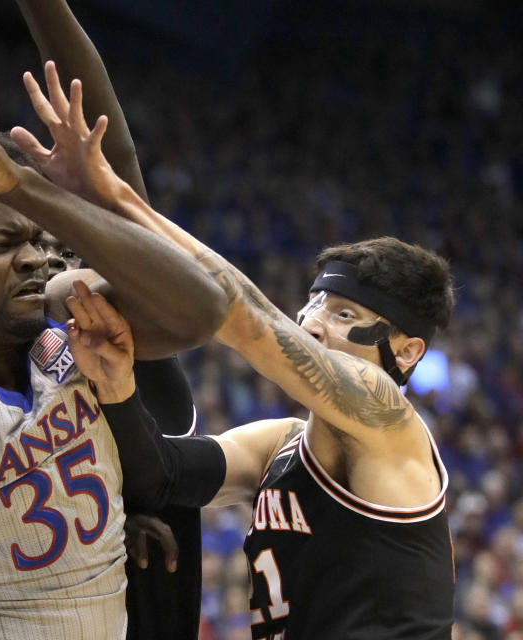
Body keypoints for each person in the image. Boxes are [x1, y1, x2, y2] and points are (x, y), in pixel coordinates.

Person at [31, 95, 456, 636]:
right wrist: (118, 388)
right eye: (314, 303)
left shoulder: (387, 417)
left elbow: (248, 319)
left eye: (344, 313)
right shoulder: (277, 445)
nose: (311, 323)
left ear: (407, 351)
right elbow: (159, 475)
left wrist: (112, 196)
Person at [0, 54, 228, 636]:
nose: (37, 259)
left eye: (43, 240)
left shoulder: (80, 335)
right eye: (8, 242)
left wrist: (111, 516)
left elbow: (205, 305)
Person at [12, 3, 206, 636]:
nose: (52, 261)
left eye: (72, 247)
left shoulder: (131, 330)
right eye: (34, 246)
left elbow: (115, 160)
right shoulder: (2, 354)